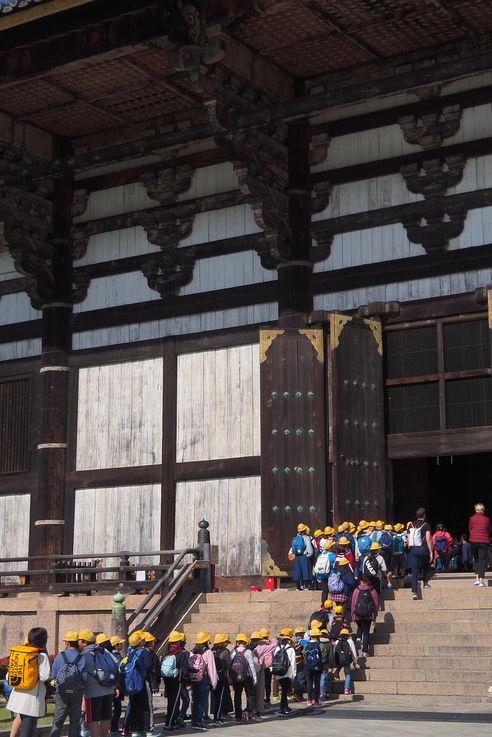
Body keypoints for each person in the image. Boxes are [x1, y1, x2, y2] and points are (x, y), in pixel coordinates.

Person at [7, 627, 51, 737]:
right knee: (28, 730)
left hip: (17, 695)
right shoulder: (42, 655)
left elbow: (9, 674)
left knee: (24, 724)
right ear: (43, 640)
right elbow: (44, 676)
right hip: (32, 698)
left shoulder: (20, 652)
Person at [50, 631, 86, 737]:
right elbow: (84, 678)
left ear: (68, 643)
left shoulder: (60, 657)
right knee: (75, 720)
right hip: (77, 692)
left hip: (61, 692)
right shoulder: (81, 657)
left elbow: (53, 676)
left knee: (58, 718)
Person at [161, 631, 190, 732]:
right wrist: (187, 682)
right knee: (174, 704)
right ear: (178, 642)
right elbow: (185, 670)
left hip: (168, 682)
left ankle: (172, 723)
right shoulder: (181, 654)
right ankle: (168, 724)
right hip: (177, 682)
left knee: (171, 704)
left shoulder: (166, 652)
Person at [189, 632, 217, 731]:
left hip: (193, 678)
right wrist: (214, 682)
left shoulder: (193, 651)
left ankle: (194, 721)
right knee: (201, 700)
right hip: (203, 678)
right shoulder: (207, 652)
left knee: (195, 699)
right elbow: (211, 668)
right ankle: (198, 722)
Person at [406, 508, 433, 600]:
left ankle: (414, 592)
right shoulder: (426, 525)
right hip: (423, 548)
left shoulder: (410, 525)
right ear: (424, 515)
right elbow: (428, 539)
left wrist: (411, 548)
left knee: (415, 571)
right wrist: (431, 552)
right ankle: (425, 583)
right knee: (426, 565)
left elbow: (408, 539)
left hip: (413, 549)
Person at [229, 634, 256, 722]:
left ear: (237, 642)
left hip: (236, 677)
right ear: (245, 642)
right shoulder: (248, 652)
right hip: (247, 677)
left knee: (237, 696)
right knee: (250, 694)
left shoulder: (233, 652)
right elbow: (251, 666)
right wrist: (254, 678)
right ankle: (248, 711)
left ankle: (238, 716)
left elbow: (230, 666)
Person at [351, 577, 379, 658]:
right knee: (366, 633)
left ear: (361, 581)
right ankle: (365, 651)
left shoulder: (356, 590)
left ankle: (358, 638)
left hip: (358, 614)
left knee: (359, 627)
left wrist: (353, 614)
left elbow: (353, 603)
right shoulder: (373, 591)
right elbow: (376, 605)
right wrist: (375, 615)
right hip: (368, 615)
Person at [272, 629, 296, 716]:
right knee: (284, 692)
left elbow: (274, 660)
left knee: (284, 691)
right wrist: (293, 674)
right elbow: (293, 663)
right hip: (287, 673)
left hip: (279, 673)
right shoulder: (291, 649)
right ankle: (281, 709)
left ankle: (286, 707)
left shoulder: (277, 648)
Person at [141, 632, 160, 737]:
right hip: (147, 682)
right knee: (148, 706)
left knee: (141, 706)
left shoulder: (138, 652)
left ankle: (141, 728)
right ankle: (150, 728)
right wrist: (155, 685)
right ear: (150, 643)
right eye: (153, 641)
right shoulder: (149, 654)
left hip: (140, 683)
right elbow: (152, 670)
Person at [469, 503, 491, 587]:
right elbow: (489, 530)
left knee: (475, 559)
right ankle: (481, 581)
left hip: (473, 541)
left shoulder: (472, 518)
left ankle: (477, 579)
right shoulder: (487, 519)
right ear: (483, 510)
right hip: (484, 541)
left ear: (476, 510)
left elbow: (470, 529)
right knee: (482, 561)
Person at [210, 634, 230, 726]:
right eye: (226, 642)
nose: (227, 644)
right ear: (222, 643)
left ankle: (215, 716)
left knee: (214, 698)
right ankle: (217, 718)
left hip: (211, 678)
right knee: (220, 698)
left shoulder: (211, 651)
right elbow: (228, 666)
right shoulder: (225, 652)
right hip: (222, 678)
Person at [302, 629, 324, 707]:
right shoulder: (320, 644)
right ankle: (317, 701)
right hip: (318, 666)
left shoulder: (306, 644)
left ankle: (309, 700)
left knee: (309, 683)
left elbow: (303, 653)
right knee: (317, 683)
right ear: (318, 636)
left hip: (308, 666)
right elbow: (323, 655)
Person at [334, 629, 358, 695]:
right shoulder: (350, 641)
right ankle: (346, 689)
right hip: (347, 660)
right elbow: (353, 652)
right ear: (348, 635)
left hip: (339, 660)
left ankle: (337, 671)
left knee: (341, 661)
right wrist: (355, 661)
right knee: (348, 674)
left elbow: (335, 652)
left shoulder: (337, 642)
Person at [290, 524, 314, 591]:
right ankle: (306, 586)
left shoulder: (296, 538)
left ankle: (298, 587)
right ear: (305, 530)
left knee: (297, 571)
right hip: (304, 556)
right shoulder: (306, 538)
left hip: (297, 556)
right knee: (305, 570)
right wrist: (309, 555)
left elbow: (292, 549)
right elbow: (309, 549)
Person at [109, 637, 125, 736]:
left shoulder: (108, 656)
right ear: (116, 645)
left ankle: (111, 727)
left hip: (110, 685)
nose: (122, 645)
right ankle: (113, 727)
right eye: (120, 643)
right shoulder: (118, 657)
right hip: (117, 685)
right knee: (117, 708)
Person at [258, 628, 277, 706]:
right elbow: (275, 643)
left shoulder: (258, 645)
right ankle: (268, 700)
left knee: (261, 685)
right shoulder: (268, 646)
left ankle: (261, 700)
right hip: (268, 667)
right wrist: (272, 639)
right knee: (267, 684)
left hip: (260, 667)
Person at [292, 628, 306, 702]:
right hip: (301, 662)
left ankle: (296, 694)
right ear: (302, 634)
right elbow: (307, 649)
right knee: (301, 679)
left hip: (294, 662)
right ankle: (298, 695)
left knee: (296, 679)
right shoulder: (303, 641)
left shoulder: (293, 641)